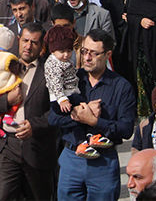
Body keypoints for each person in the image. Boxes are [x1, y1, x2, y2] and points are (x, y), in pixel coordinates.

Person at [49, 28, 136, 201]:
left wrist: (96, 121)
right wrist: (78, 116)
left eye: (94, 53)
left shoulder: (121, 86)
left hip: (102, 161)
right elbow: (53, 118)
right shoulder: (70, 79)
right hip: (71, 157)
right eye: (84, 51)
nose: (87, 58)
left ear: (107, 54)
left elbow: (126, 129)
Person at [0, 23, 56, 201]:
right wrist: (7, 101)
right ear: (19, 40)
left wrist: (34, 126)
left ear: (42, 46)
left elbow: (58, 112)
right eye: (26, 41)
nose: (28, 46)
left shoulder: (49, 71)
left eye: (34, 42)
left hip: (36, 147)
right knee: (4, 196)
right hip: (6, 145)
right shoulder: (1, 64)